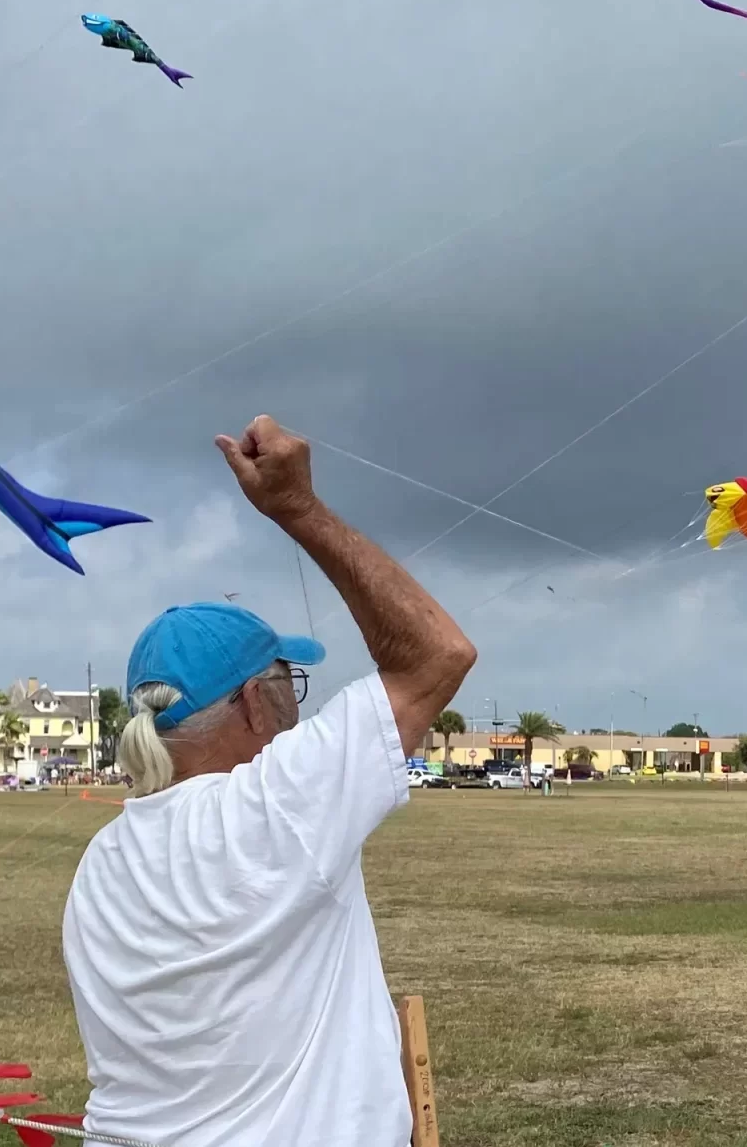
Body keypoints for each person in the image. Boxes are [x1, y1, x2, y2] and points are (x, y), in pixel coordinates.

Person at [62, 416, 477, 1147]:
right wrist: (297, 508)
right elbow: (436, 654)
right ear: (258, 700)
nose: (296, 700)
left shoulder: (102, 863)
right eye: (289, 679)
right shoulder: (273, 806)